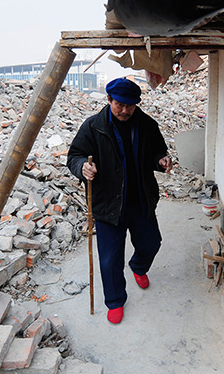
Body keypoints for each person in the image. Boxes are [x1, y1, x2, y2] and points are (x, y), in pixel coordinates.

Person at [67, 78, 172, 324]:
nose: (124, 110)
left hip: (140, 200)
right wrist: (82, 167)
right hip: (108, 203)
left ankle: (138, 266)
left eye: (130, 106)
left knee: (152, 242)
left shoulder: (146, 125)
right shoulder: (93, 127)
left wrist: (162, 160)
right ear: (109, 100)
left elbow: (158, 150)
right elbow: (75, 155)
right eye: (119, 105)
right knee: (110, 258)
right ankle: (115, 301)